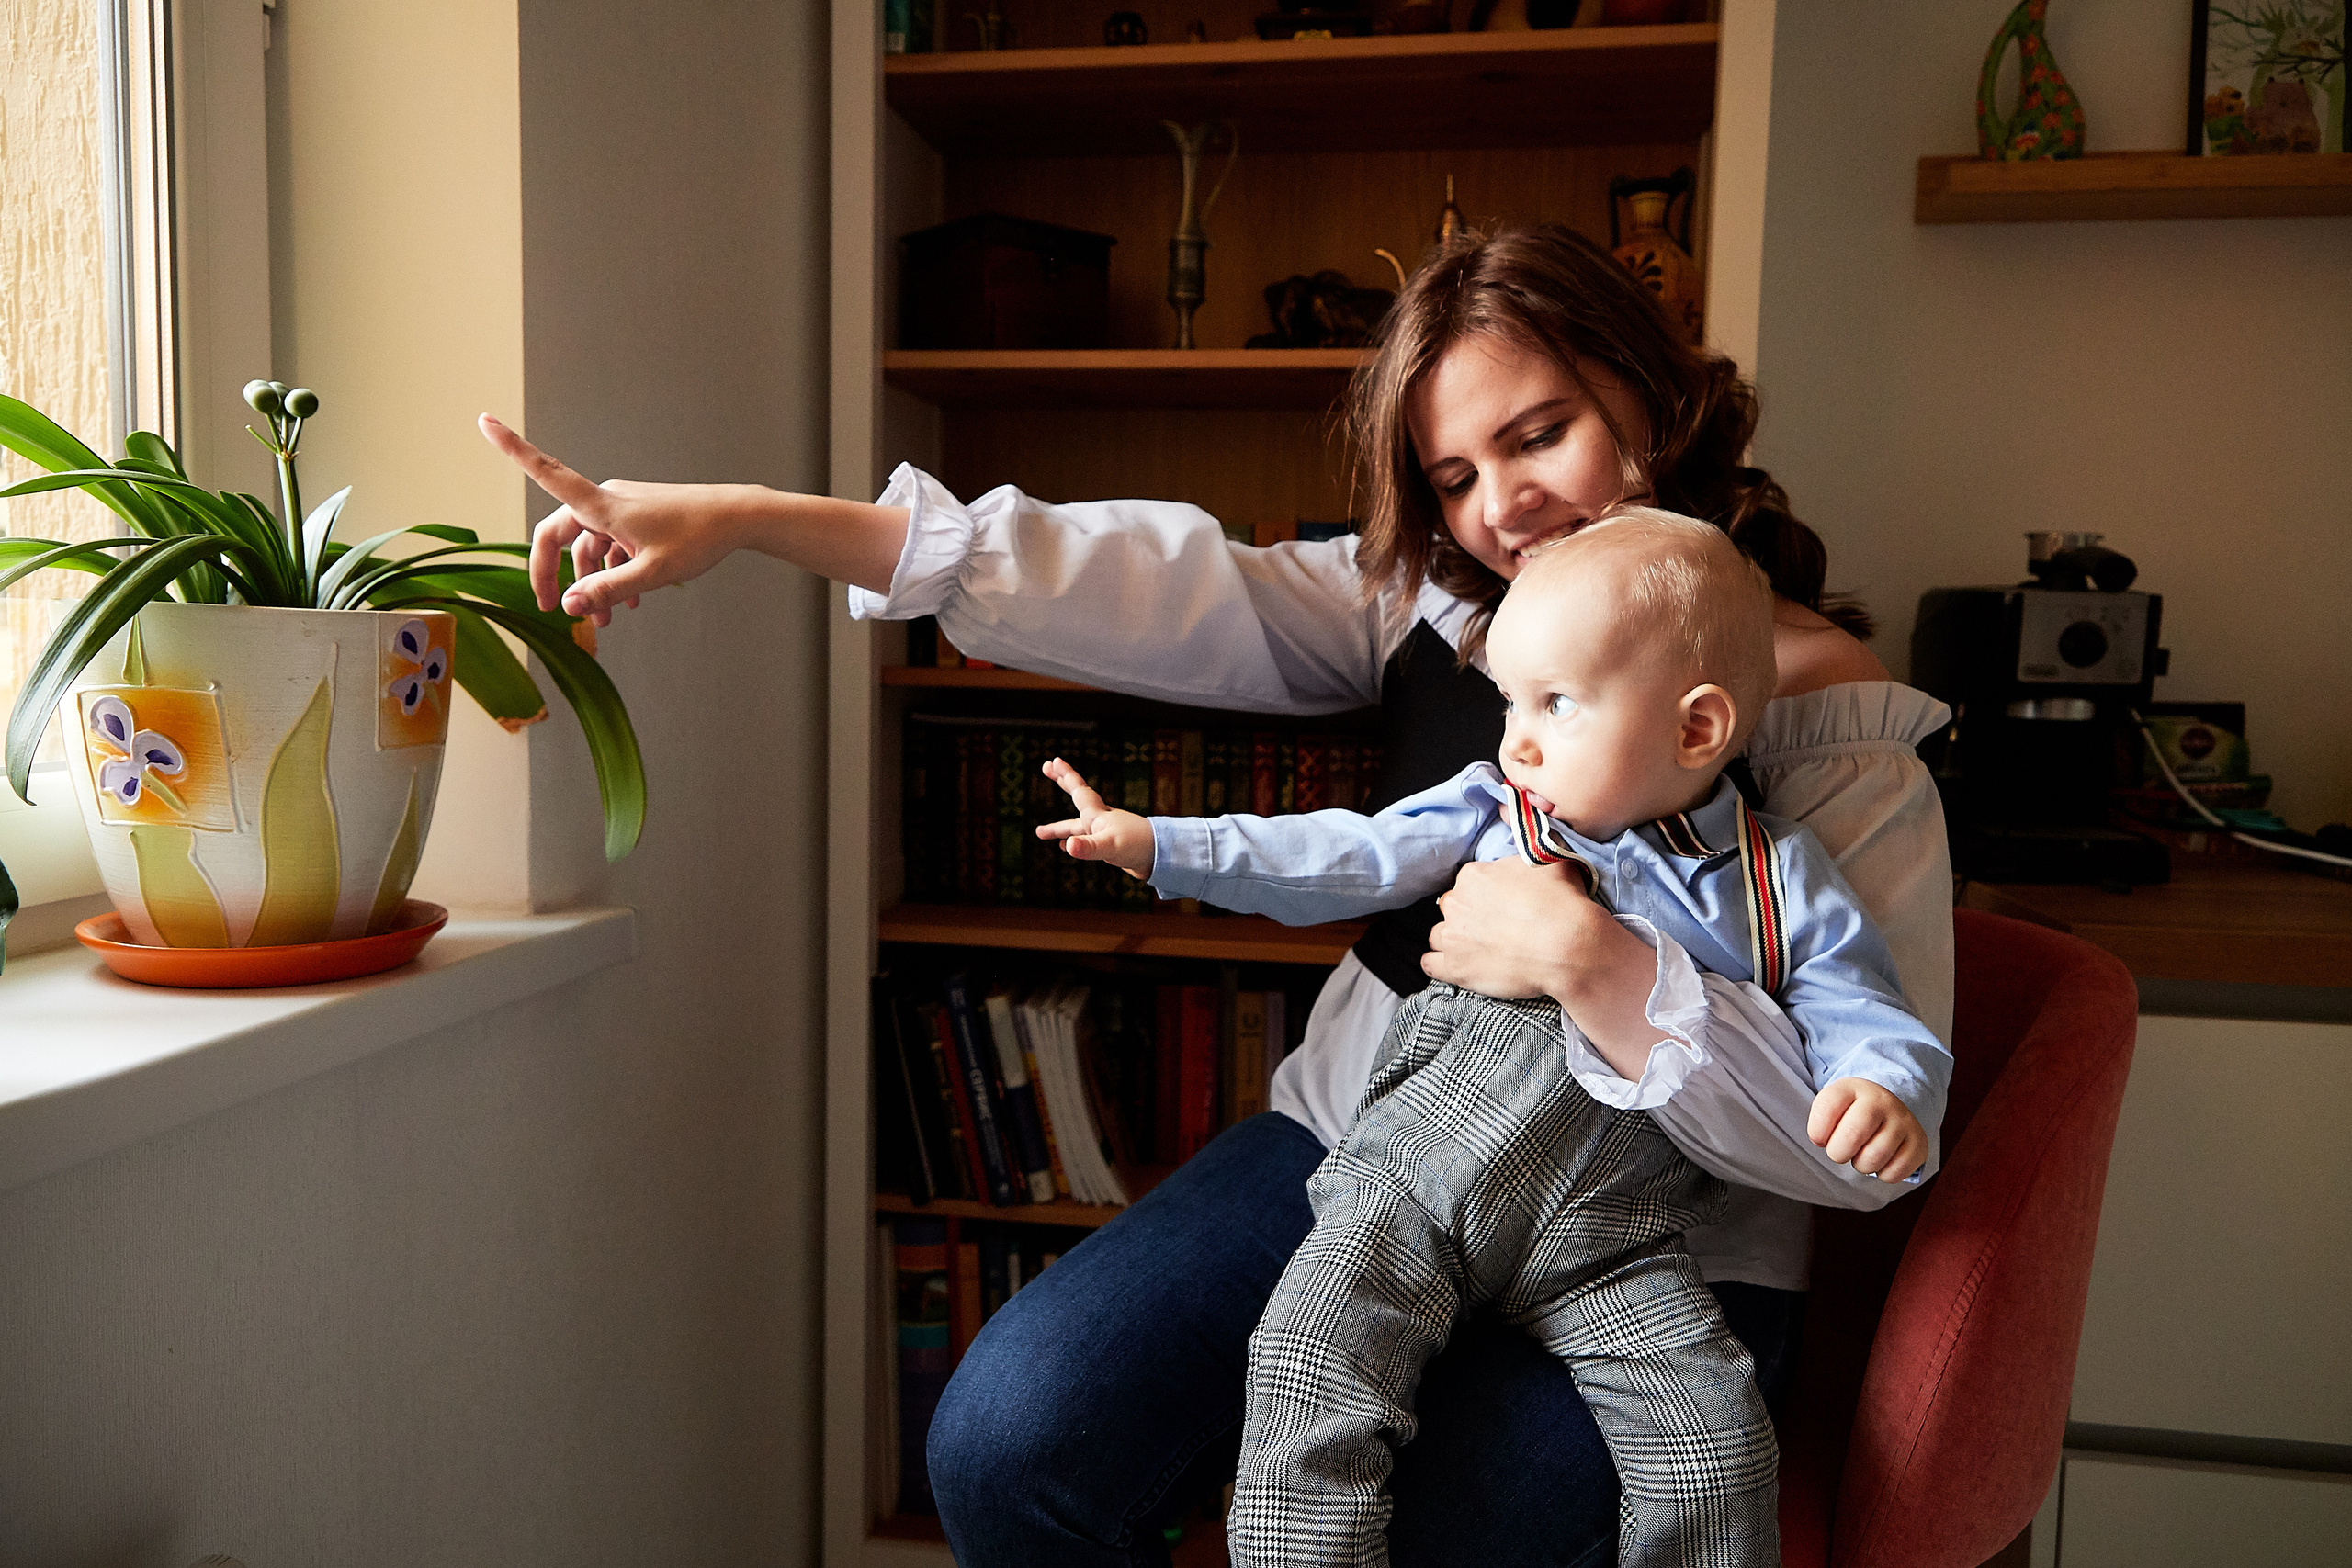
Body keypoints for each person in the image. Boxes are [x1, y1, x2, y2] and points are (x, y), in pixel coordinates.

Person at [479, 223, 1957, 1566]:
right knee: (1009, 1442)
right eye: (1454, 475)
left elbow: (1860, 1141)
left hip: (1659, 1243)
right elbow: (1141, 577)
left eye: (1542, 433)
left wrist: (1594, 962)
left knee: (1446, 1526)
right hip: (1372, 1140)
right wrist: (753, 518)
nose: (1503, 506)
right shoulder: (1439, 613)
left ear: (1644, 392)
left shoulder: (1842, 740)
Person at [1035, 513, 1946, 1568]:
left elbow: (1863, 1009)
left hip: (1612, 1234)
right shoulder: (1494, 810)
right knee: (1309, 1362)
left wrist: (1882, 1085)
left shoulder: (1776, 879)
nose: (1514, 738)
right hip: (1413, 1184)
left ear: (1697, 730)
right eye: (1511, 700)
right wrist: (1161, 846)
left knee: (1711, 1437)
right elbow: (1343, 855)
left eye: (1554, 704)